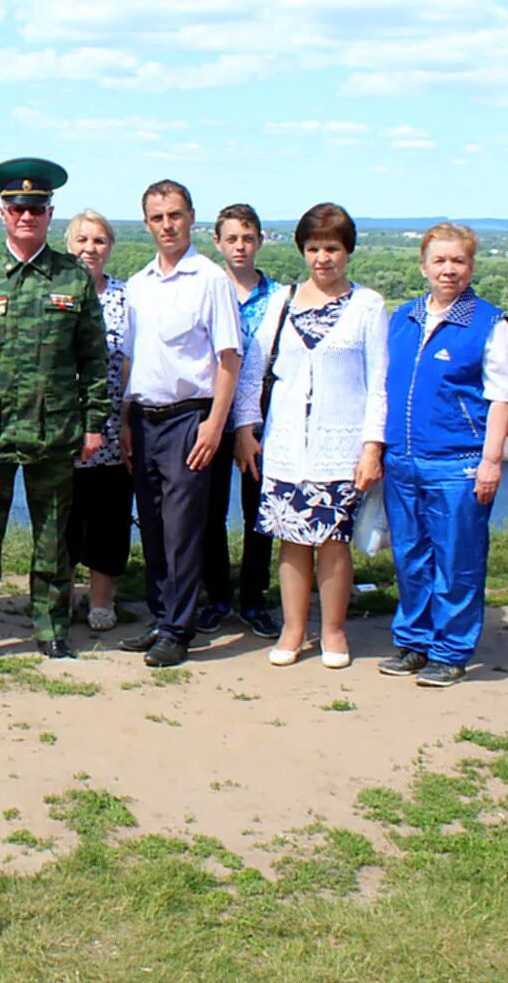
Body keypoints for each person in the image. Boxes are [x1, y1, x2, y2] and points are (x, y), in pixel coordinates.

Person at [0, 158, 111, 659]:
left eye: (36, 207)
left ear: (50, 213)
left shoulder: (72, 279)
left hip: (52, 428)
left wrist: (93, 423)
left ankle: (52, 633)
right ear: (3, 212)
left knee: (53, 540)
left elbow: (92, 359)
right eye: (18, 208)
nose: (27, 216)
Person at [233, 203, 387, 670]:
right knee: (291, 539)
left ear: (348, 251)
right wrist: (244, 429)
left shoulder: (368, 306)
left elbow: (380, 382)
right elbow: (253, 369)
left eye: (333, 248)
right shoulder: (283, 301)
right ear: (302, 250)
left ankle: (333, 630)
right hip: (284, 446)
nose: (323, 258)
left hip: (339, 447)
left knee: (333, 541)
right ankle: (293, 628)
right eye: (314, 248)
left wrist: (372, 447)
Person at [378, 223, 508, 688]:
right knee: (410, 556)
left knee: (457, 559)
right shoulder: (404, 319)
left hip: (457, 462)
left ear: (471, 266)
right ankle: (414, 642)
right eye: (439, 261)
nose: (448, 270)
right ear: (423, 265)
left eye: (458, 261)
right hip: (402, 459)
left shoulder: (488, 325)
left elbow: (501, 396)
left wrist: (491, 460)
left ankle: (451, 650)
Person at [116, 182, 243, 668]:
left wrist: (215, 424)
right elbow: (132, 361)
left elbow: (228, 358)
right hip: (145, 418)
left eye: (175, 215)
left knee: (183, 529)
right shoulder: (139, 283)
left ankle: (179, 628)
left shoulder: (209, 279)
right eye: (156, 217)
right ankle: (161, 616)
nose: (167, 225)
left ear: (191, 218)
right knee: (151, 524)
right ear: (146, 223)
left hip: (190, 416)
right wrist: (126, 420)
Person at [194, 204, 282, 641]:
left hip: (263, 418)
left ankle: (253, 597)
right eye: (232, 239)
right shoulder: (206, 288)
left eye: (248, 239)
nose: (240, 247)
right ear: (218, 242)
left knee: (257, 512)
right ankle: (216, 596)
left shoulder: (279, 297)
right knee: (209, 512)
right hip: (209, 412)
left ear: (260, 240)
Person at [63, 209, 132, 635]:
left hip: (110, 426)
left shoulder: (126, 298)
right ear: (69, 245)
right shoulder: (53, 292)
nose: (91, 249)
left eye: (100, 241)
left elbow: (132, 362)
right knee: (64, 518)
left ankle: (102, 599)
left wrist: (126, 420)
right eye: (82, 240)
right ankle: (63, 596)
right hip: (62, 428)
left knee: (108, 516)